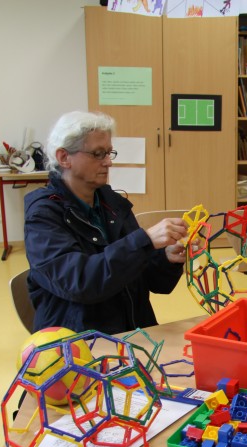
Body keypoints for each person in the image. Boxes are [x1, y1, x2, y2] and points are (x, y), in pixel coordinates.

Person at [24, 111, 188, 333]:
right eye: (98, 154)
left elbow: (153, 282)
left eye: (109, 153)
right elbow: (81, 283)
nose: (109, 162)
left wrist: (167, 258)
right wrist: (144, 240)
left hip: (132, 335)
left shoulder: (112, 205)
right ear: (64, 158)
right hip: (80, 344)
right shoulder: (43, 216)